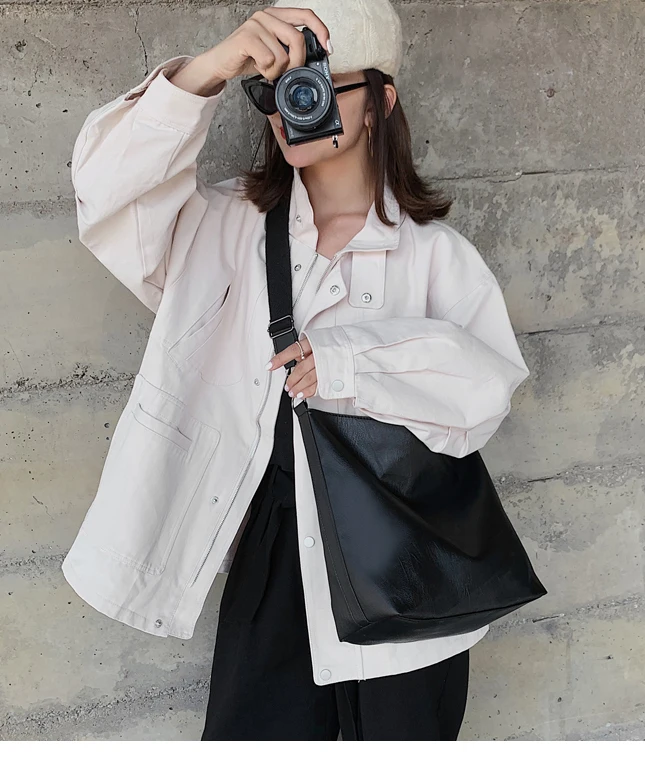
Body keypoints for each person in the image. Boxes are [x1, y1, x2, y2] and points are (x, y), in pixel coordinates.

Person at [62, 0, 530, 741]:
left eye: (319, 86)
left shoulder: (436, 255)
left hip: (404, 561)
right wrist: (211, 69)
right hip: (273, 546)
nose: (293, 108)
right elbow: (105, 194)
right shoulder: (218, 228)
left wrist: (349, 362)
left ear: (381, 102)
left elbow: (482, 395)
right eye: (275, 90)